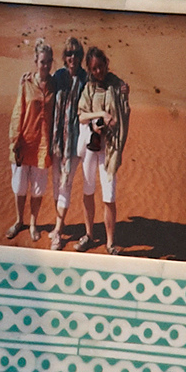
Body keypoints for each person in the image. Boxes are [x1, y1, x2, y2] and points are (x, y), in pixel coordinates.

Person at [63, 44, 131, 251]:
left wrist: (125, 96)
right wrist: (99, 117)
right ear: (90, 69)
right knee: (88, 190)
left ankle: (110, 242)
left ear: (106, 64)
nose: (98, 71)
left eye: (101, 66)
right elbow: (81, 114)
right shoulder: (89, 88)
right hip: (91, 147)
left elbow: (124, 112)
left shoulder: (116, 85)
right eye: (94, 69)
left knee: (109, 195)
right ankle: (89, 235)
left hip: (109, 148)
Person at [4, 37, 55, 239]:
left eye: (49, 61)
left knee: (37, 189)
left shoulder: (55, 84)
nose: (46, 65)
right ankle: (19, 221)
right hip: (25, 142)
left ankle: (33, 223)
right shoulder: (26, 83)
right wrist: (14, 139)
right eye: (43, 61)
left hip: (43, 145)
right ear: (36, 61)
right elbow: (18, 111)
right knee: (19, 186)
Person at [44, 34, 86, 249]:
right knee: (55, 185)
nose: (72, 57)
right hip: (57, 142)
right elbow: (41, 81)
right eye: (69, 53)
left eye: (76, 53)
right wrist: (27, 77)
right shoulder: (59, 76)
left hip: (74, 144)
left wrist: (121, 86)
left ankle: (59, 231)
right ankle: (58, 223)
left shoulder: (86, 79)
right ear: (64, 56)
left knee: (65, 185)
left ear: (81, 56)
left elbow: (106, 81)